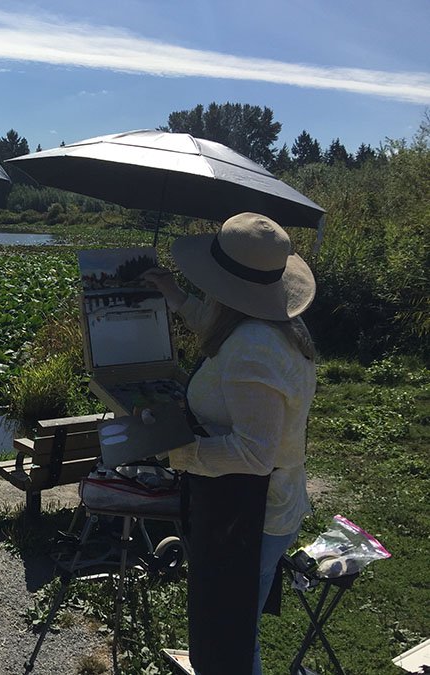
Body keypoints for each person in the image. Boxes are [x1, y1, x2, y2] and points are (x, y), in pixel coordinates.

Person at [143, 212, 317, 675]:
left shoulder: (254, 345)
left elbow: (254, 454)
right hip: (262, 505)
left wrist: (179, 454)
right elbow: (221, 328)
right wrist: (175, 295)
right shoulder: (275, 326)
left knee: (231, 638)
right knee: (235, 627)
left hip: (250, 511)